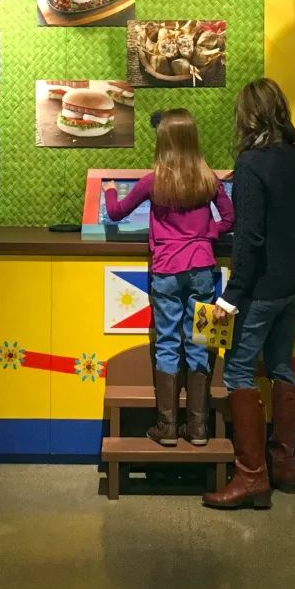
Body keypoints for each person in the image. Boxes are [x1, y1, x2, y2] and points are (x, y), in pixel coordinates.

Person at [203, 79, 295, 511]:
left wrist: (231, 295)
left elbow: (248, 238)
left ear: (247, 116)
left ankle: (250, 478)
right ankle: (284, 466)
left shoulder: (251, 164)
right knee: (281, 365)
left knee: (239, 373)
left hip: (261, 287)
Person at [104, 109, 234, 448]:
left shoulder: (153, 181)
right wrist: (209, 231)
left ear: (163, 142)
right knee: (200, 342)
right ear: (194, 139)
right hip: (202, 269)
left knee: (167, 342)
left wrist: (110, 192)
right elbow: (230, 218)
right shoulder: (208, 179)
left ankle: (166, 427)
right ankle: (199, 428)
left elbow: (116, 213)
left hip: (165, 270)